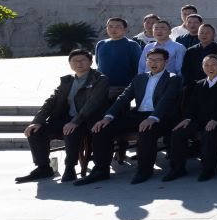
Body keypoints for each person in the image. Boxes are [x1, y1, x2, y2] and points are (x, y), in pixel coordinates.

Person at [78, 47, 183, 185]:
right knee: (101, 128)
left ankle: (144, 170)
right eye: (150, 60)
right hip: (138, 115)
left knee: (147, 130)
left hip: (161, 117)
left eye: (158, 60)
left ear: (166, 61)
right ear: (146, 61)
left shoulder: (173, 79)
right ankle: (100, 171)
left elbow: (166, 100)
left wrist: (152, 118)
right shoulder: (139, 78)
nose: (154, 63)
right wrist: (108, 117)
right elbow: (123, 98)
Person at [17, 49, 110, 184]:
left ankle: (69, 168)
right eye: (75, 61)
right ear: (70, 64)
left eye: (83, 60)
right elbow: (51, 101)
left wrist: (75, 121)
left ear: (91, 62)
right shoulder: (67, 81)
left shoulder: (100, 79)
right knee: (35, 132)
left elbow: (93, 103)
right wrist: (37, 121)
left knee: (71, 130)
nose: (79, 63)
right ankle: (43, 168)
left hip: (88, 119)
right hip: (67, 118)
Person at [166, 54, 217, 182]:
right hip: (200, 120)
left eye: (213, 64)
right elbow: (192, 105)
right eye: (206, 65)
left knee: (209, 134)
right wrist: (187, 119)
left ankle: (208, 169)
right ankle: (177, 169)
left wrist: (216, 119)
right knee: (178, 132)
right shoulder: (199, 84)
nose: (210, 68)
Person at [95, 17, 142, 96]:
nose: (113, 29)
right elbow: (98, 63)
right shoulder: (101, 44)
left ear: (125, 29)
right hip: (102, 86)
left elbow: (138, 67)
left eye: (117, 27)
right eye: (110, 26)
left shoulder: (132, 45)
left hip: (123, 87)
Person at [181, 23, 217, 91]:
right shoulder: (190, 50)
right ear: (197, 34)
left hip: (214, 85)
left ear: (214, 35)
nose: (204, 35)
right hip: (193, 86)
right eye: (201, 33)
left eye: (207, 33)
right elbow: (185, 70)